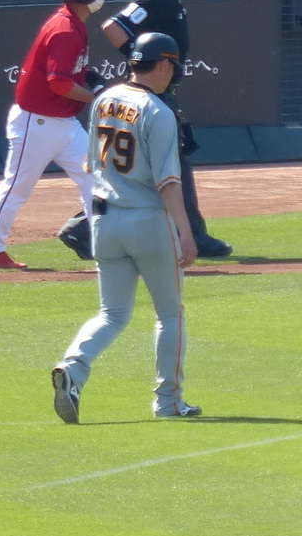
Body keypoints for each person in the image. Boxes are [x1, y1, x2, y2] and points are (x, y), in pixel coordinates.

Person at [50, 33, 200, 423]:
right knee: (170, 314)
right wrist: (186, 231)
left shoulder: (103, 99)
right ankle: (168, 402)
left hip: (105, 221)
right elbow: (168, 181)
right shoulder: (158, 111)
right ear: (163, 65)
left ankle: (74, 365)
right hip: (147, 220)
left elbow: (90, 165)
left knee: (111, 313)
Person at [101, 0, 231, 258]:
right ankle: (193, 236)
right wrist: (144, 61)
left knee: (159, 162)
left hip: (161, 93)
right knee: (174, 163)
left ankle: (103, 227)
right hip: (156, 96)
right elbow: (113, 28)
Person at [0, 0, 105, 269]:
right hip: (38, 122)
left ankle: (107, 246)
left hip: (63, 123)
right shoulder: (65, 29)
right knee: (17, 187)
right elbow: (59, 84)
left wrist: (90, 79)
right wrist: (96, 97)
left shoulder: (71, 23)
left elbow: (69, 75)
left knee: (95, 180)